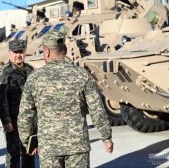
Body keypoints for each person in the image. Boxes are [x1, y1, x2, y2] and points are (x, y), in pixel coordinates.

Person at [18, 30, 114, 168]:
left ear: (47, 51)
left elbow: (25, 114)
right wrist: (106, 137)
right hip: (77, 147)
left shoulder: (35, 78)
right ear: (65, 50)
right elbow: (97, 109)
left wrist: (28, 141)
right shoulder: (82, 75)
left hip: (49, 147)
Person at [0, 39, 35, 168]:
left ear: (25, 52)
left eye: (21, 52)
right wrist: (6, 121)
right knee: (13, 155)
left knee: (30, 153)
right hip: (13, 121)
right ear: (9, 53)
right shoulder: (4, 72)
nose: (18, 55)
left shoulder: (30, 70)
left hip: (29, 121)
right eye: (15, 52)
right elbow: (1, 100)